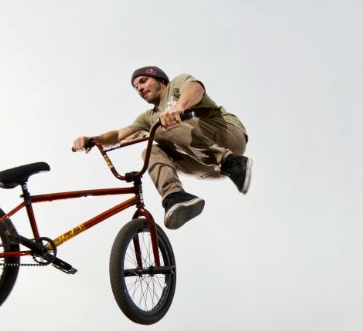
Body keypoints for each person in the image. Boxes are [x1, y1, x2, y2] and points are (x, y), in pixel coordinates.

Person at [72, 66, 251, 230]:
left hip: (227, 136)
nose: (140, 89)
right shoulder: (147, 117)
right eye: (136, 87)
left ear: (161, 81)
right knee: (150, 150)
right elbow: (119, 135)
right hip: (207, 167)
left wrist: (180, 107)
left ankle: (231, 162)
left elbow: (196, 88)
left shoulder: (176, 85)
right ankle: (175, 198)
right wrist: (92, 139)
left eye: (143, 81)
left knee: (159, 128)